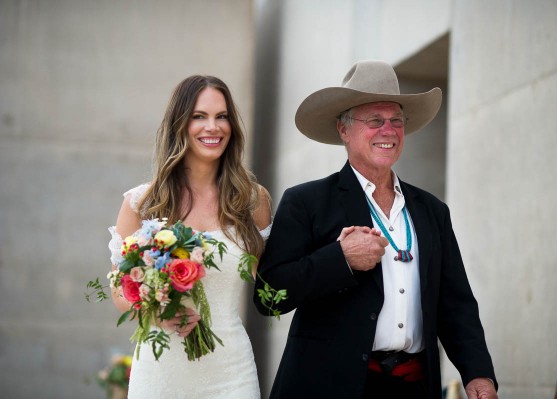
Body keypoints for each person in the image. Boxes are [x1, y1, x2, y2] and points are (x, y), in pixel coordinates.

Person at [254, 60, 498, 399]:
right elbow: (268, 295)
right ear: (344, 130)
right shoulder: (306, 202)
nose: (388, 130)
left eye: (396, 121)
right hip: (330, 388)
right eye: (374, 121)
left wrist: (478, 374)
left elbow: (456, 305)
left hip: (413, 387)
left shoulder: (432, 211)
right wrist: (339, 258)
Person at [108, 75, 272, 398]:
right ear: (180, 124)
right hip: (160, 374)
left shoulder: (252, 201)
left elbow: (274, 280)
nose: (213, 127)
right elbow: (118, 288)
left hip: (232, 374)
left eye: (221, 116)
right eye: (199, 116)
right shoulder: (142, 203)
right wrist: (159, 312)